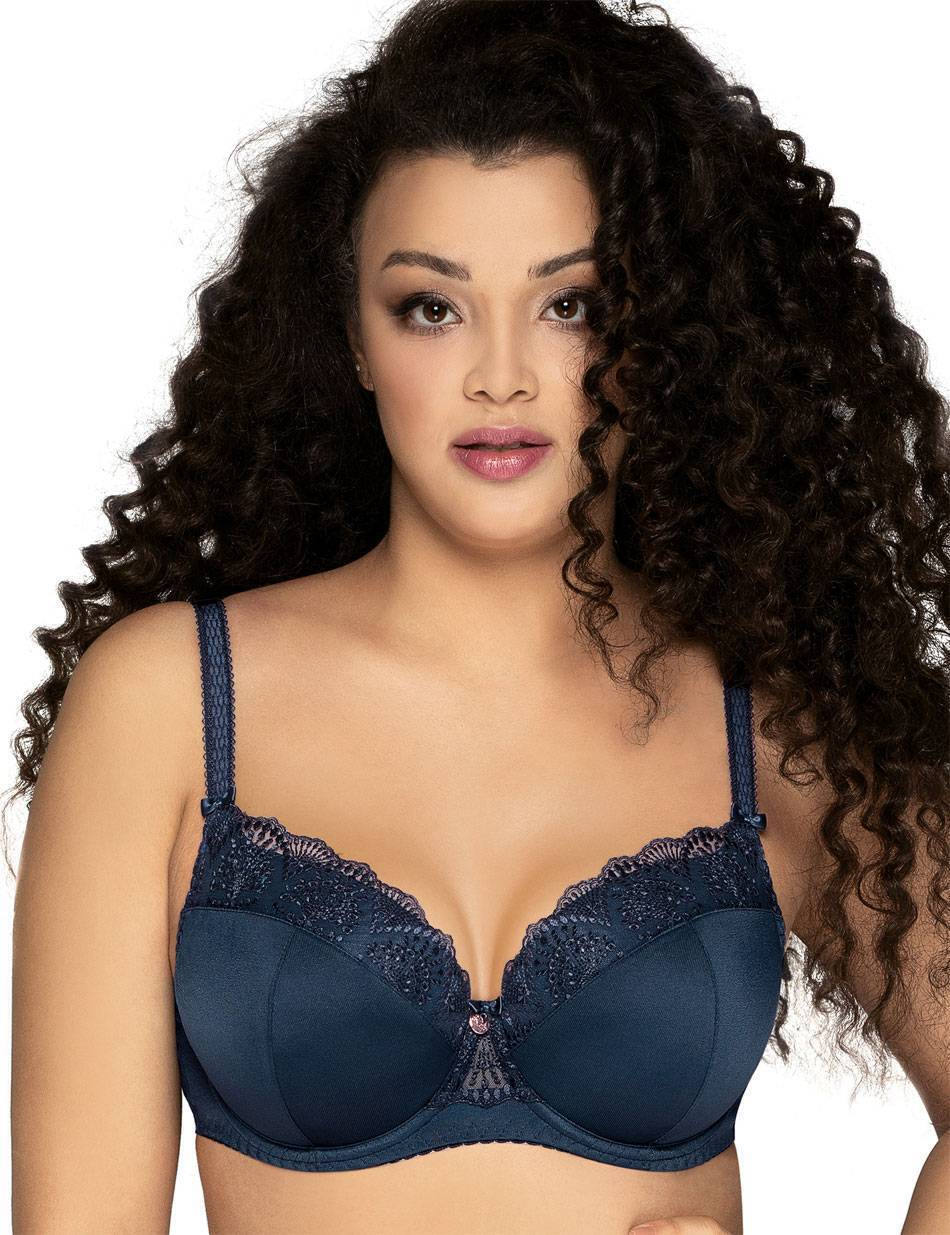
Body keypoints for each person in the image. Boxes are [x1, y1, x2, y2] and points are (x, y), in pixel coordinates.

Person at [9, 1, 950, 1232]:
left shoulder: (765, 713)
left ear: (659, 336)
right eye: (430, 306)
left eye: (569, 304)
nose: (498, 376)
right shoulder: (173, 700)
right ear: (353, 337)